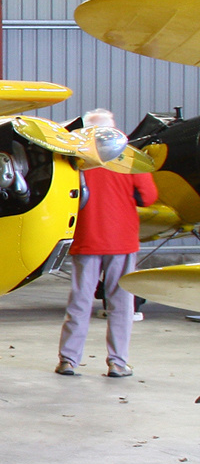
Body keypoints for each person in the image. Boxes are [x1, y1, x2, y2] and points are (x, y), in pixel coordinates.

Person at [57, 109, 158, 378]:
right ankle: (117, 363)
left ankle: (68, 360)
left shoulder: (75, 159)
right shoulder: (130, 159)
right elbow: (149, 197)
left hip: (86, 239)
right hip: (122, 240)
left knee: (79, 301)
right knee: (121, 304)